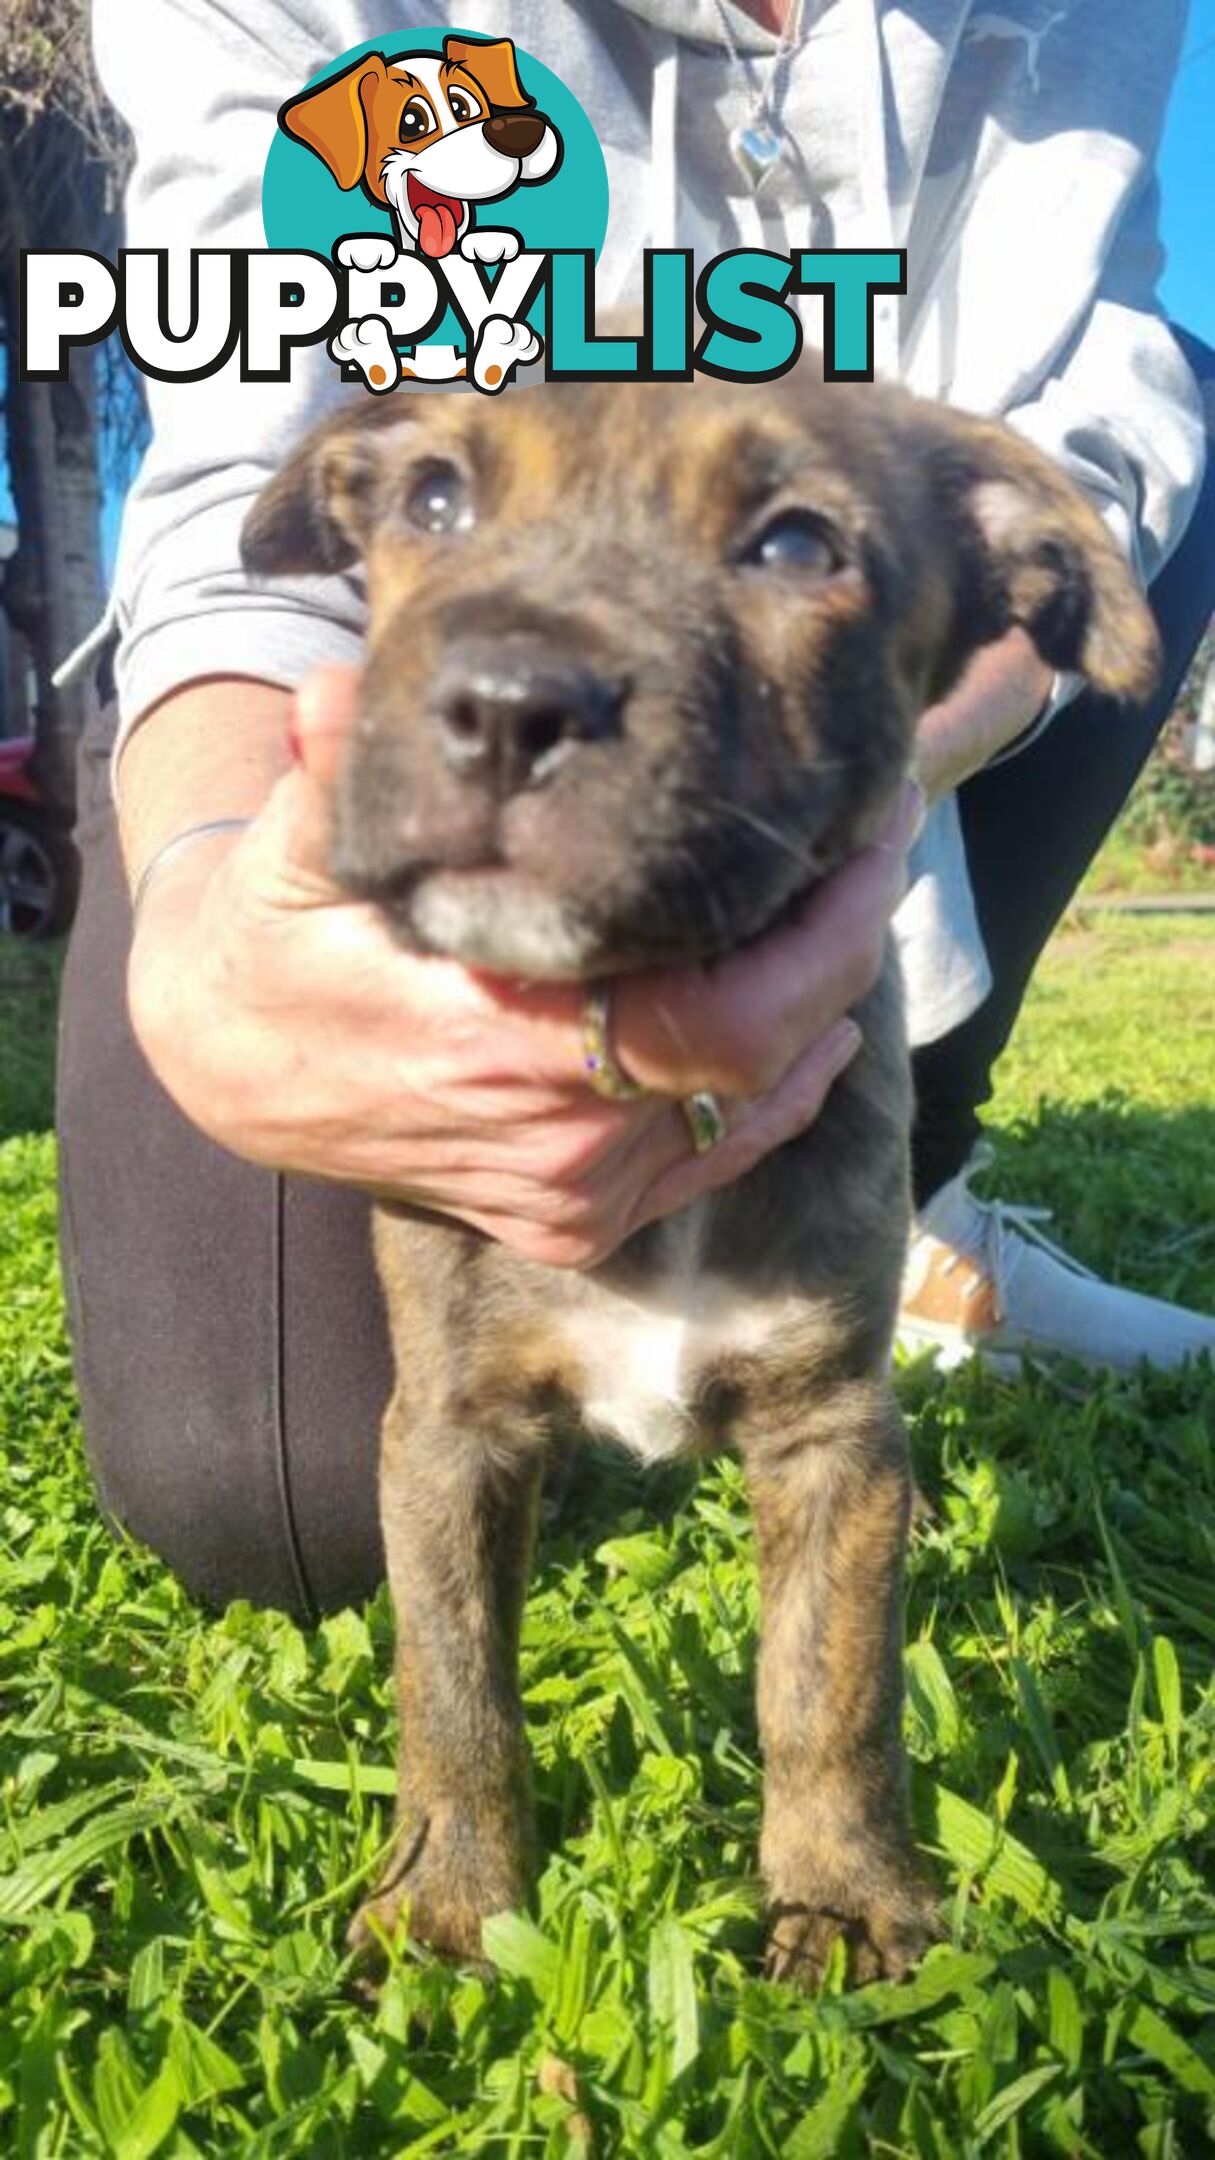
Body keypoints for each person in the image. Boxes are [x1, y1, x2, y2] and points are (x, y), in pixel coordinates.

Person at [60, 0, 1214, 1622]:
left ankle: (913, 1191)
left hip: (839, 720)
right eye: (442, 498)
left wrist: (874, 744)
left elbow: (1090, 383)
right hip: (355, 745)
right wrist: (199, 941)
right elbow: (231, 470)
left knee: (1154, 452)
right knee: (269, 1487)